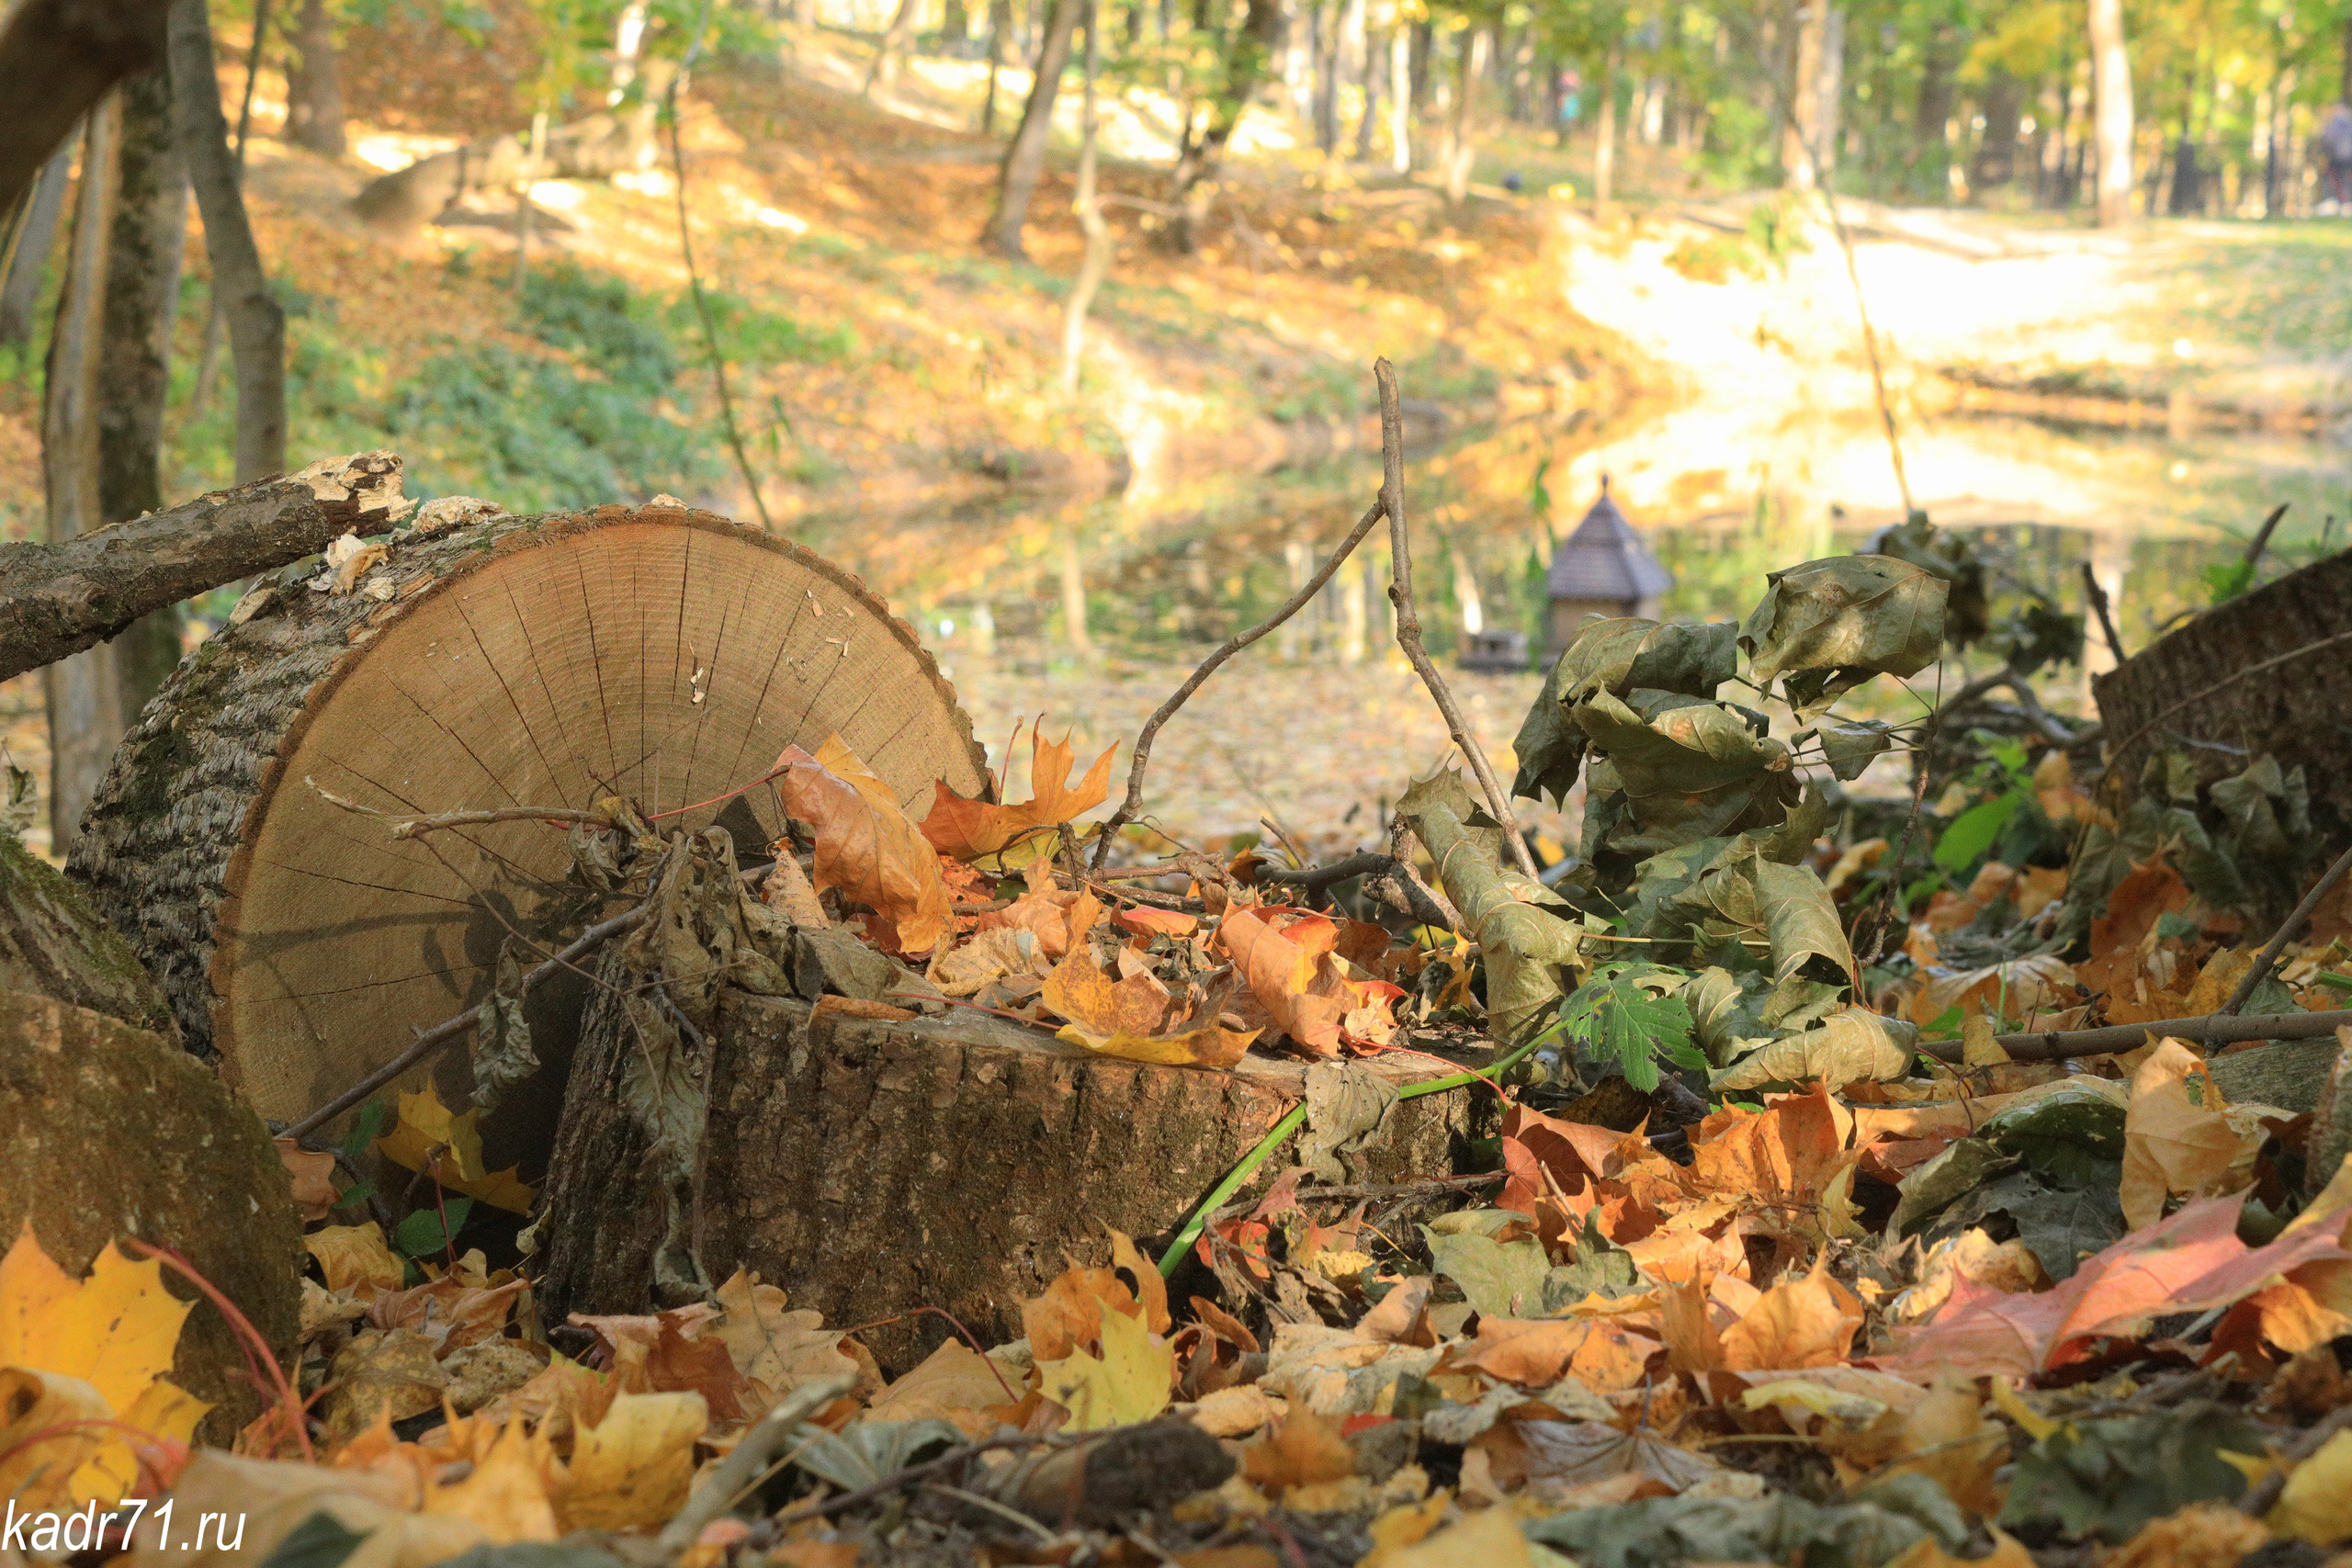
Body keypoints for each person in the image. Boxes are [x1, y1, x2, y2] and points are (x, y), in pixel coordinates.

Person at [2320, 102, 2352, 215]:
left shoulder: (2337, 123)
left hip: (2339, 157)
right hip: (2346, 158)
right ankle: (2345, 203)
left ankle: (2340, 203)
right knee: (2345, 180)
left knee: (2336, 180)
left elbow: (2328, 139)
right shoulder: (2348, 122)